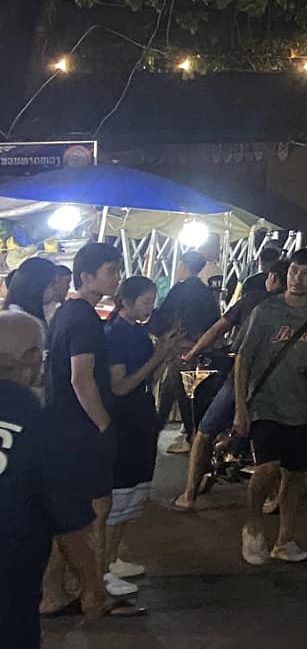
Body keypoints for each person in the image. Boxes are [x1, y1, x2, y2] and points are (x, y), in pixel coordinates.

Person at [3, 311, 112, 649]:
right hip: (6, 601)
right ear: (32, 360)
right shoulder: (43, 428)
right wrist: (90, 585)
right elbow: (70, 525)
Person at [235, 247, 307, 567]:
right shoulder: (265, 311)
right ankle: (253, 524)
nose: (299, 278)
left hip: (303, 407)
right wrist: (241, 407)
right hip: (265, 404)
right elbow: (243, 358)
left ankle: (285, 539)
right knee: (267, 468)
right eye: (295, 270)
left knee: (295, 475)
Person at [39, 242, 125, 619]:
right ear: (86, 276)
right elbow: (81, 378)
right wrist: (104, 423)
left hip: (62, 428)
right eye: (111, 270)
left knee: (69, 514)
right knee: (86, 513)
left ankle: (58, 591)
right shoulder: (84, 317)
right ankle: (75, 591)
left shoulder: (67, 313)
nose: (117, 277)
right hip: (79, 431)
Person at [171, 257, 284, 513]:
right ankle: (275, 495)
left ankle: (189, 494)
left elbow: (217, 330)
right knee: (273, 440)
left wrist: (191, 353)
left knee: (204, 431)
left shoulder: (253, 300)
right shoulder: (299, 309)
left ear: (273, 278)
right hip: (280, 384)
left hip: (241, 380)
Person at [102, 277, 184, 599]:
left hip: (140, 420)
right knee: (118, 495)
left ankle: (113, 558)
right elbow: (120, 385)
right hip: (124, 422)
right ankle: (103, 568)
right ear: (126, 301)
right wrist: (158, 354)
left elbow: (147, 377)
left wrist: (165, 353)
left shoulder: (137, 332)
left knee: (133, 493)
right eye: (146, 300)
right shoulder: (116, 335)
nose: (150, 306)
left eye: (152, 300)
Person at [152, 249, 218, 451]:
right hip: (200, 349)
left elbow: (163, 318)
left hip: (180, 348)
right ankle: (155, 431)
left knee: (181, 393)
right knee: (172, 391)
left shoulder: (179, 291)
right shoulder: (206, 292)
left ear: (183, 265)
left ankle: (192, 437)